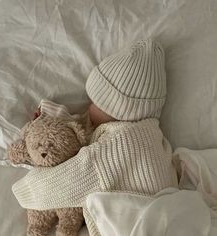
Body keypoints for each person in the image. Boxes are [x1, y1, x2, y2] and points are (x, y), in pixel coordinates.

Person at [12, 38, 178, 236]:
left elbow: (72, 178)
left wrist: (24, 191)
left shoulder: (123, 143)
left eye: (94, 103)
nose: (87, 109)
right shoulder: (152, 134)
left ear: (118, 109)